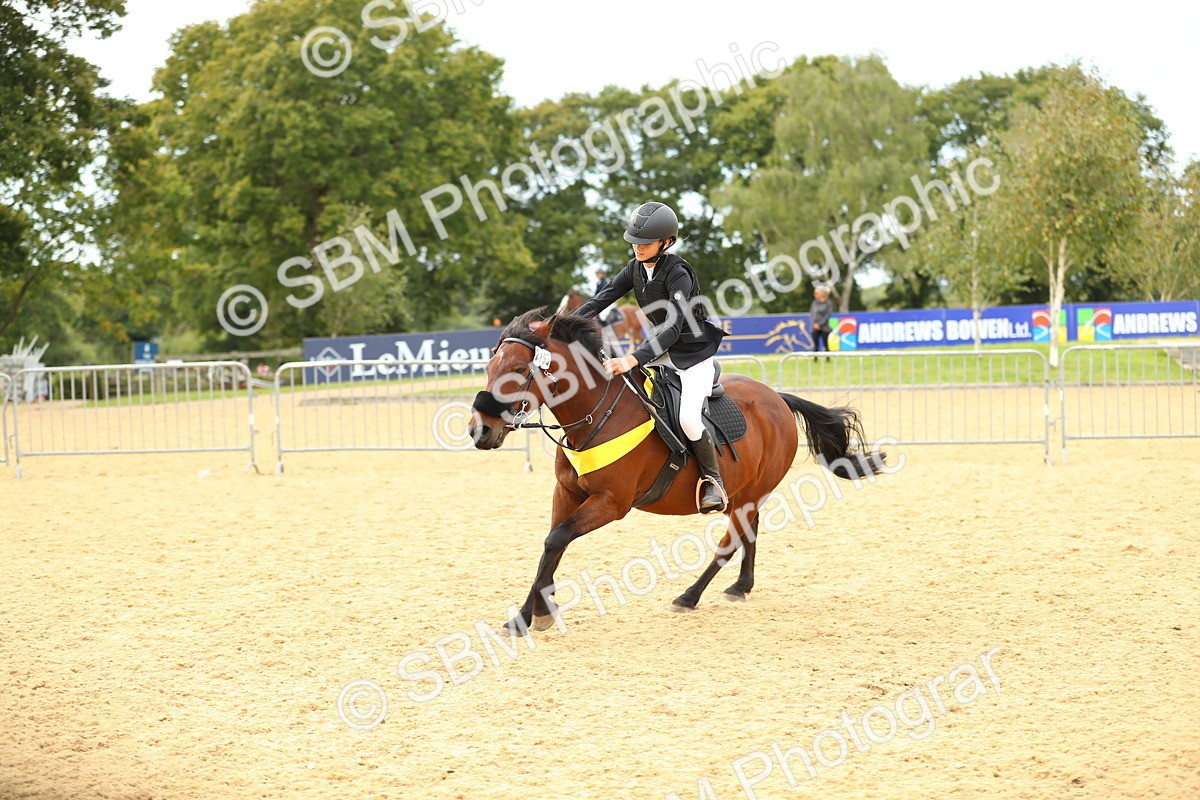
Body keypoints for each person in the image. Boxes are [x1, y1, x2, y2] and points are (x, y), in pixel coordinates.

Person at [573, 201, 729, 514]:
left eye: (645, 243)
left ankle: (713, 480)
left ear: (666, 242)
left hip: (691, 354)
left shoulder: (678, 274)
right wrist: (564, 324)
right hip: (658, 348)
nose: (638, 248)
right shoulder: (634, 269)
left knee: (687, 417)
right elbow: (601, 299)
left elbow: (673, 328)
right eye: (635, 242)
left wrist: (632, 359)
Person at [810, 286, 833, 360]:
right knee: (816, 345)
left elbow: (827, 315)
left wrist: (820, 324)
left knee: (826, 344)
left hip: (824, 327)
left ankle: (828, 358)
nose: (815, 295)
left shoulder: (828, 303)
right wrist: (815, 324)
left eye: (816, 293)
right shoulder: (814, 303)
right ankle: (815, 359)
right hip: (815, 327)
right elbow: (812, 314)